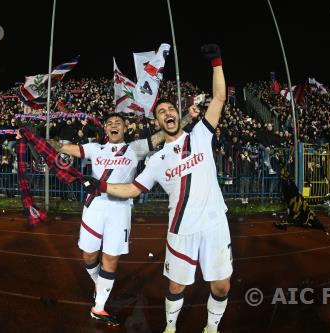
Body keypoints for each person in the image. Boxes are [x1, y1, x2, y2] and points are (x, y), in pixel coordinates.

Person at [86, 44, 231, 333]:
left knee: (222, 285)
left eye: (170, 109)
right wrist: (102, 185)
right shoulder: (156, 160)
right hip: (180, 229)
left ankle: (211, 328)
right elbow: (132, 189)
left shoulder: (201, 134)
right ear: (157, 122)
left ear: (178, 115)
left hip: (216, 225)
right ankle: (170, 327)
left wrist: (216, 63)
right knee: (177, 285)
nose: (167, 113)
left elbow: (219, 97)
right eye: (162, 111)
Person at [49, 112, 196, 326]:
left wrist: (187, 119)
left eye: (118, 122)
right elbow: (64, 148)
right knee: (89, 255)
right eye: (110, 123)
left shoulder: (135, 148)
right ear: (106, 129)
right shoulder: (95, 148)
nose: (114, 125)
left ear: (125, 128)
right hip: (94, 206)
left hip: (120, 209)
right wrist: (45, 141)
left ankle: (98, 307)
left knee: (110, 258)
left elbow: (162, 135)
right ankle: (100, 285)